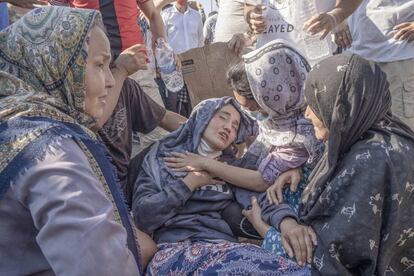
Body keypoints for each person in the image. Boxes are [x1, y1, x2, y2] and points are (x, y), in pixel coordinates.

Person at [0, 6, 153, 274]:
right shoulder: (51, 151)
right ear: (56, 63)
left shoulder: (13, 123)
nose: (109, 80)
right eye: (98, 65)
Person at [249, 54, 414, 274]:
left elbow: (332, 264)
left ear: (340, 105)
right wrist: (298, 171)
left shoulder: (368, 163)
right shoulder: (385, 133)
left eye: (314, 104)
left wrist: (266, 231)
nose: (307, 114)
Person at [164, 40, 324, 266]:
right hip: (267, 198)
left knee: (232, 212)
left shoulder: (301, 132)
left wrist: (205, 163)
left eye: (254, 107)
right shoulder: (279, 117)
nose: (253, 114)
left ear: (270, 94)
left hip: (285, 207)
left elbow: (259, 181)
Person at [132, 97, 310, 275]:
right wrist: (189, 183)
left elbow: (261, 199)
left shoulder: (229, 168)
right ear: (202, 116)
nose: (228, 127)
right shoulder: (163, 157)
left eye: (234, 126)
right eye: (223, 117)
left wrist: (287, 223)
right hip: (173, 249)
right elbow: (143, 217)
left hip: (222, 248)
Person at [308, 0, 414, 130]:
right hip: (356, 59)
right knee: (356, 134)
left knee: (400, 134)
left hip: (398, 57)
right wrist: (337, 18)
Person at [158, 0, 204, 117]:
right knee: (171, 104)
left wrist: (200, 62)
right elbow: (162, 41)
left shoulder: (196, 16)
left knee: (193, 103)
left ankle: (192, 130)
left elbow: (200, 42)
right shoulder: (166, 15)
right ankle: (173, 133)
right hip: (173, 67)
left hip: (192, 66)